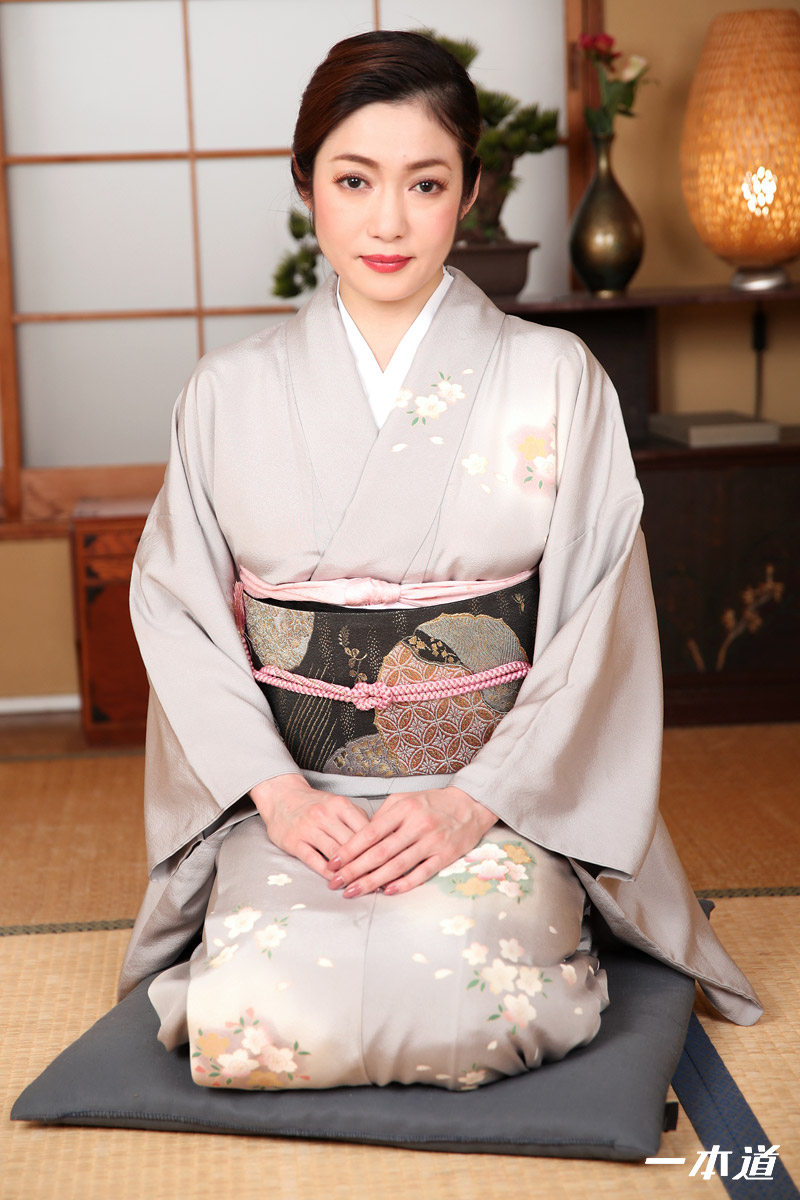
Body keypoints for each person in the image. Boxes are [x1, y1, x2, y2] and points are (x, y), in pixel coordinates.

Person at [121, 30, 761, 1093]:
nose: (387, 221)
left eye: (424, 183)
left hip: (497, 795)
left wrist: (475, 801)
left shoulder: (554, 378)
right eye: (353, 180)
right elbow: (181, 615)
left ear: (468, 192)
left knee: (466, 996)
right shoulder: (225, 395)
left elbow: (595, 621)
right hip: (301, 805)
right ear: (304, 185)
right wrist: (279, 797)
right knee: (258, 1012)